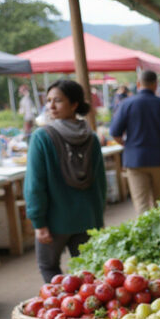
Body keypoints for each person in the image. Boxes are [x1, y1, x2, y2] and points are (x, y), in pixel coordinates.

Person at [25, 79, 107, 282]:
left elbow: (35, 185)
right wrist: (97, 219)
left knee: (49, 269)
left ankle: (64, 302)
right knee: (88, 277)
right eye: (48, 100)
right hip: (88, 219)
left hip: (53, 222)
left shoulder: (42, 137)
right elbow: (100, 184)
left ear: (74, 104)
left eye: (58, 100)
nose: (51, 106)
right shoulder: (91, 137)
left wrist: (38, 222)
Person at [109, 70, 160, 216]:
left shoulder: (126, 104)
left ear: (138, 84)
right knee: (159, 202)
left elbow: (115, 132)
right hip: (159, 159)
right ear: (155, 85)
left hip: (135, 160)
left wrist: (126, 144)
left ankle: (146, 229)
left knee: (141, 204)